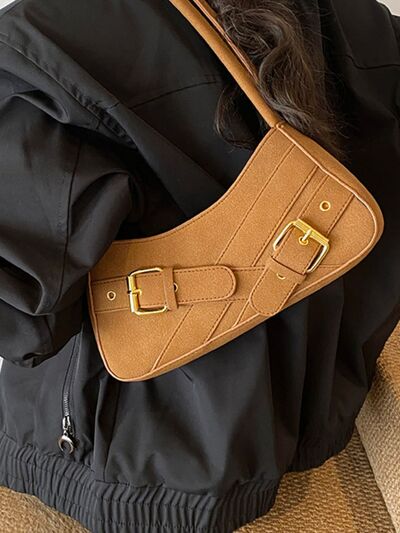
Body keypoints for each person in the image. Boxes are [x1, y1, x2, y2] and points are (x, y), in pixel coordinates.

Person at [0, 0, 398, 531]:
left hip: (125, 466)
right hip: (309, 420)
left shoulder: (48, 40)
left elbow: (26, 320)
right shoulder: (365, 24)